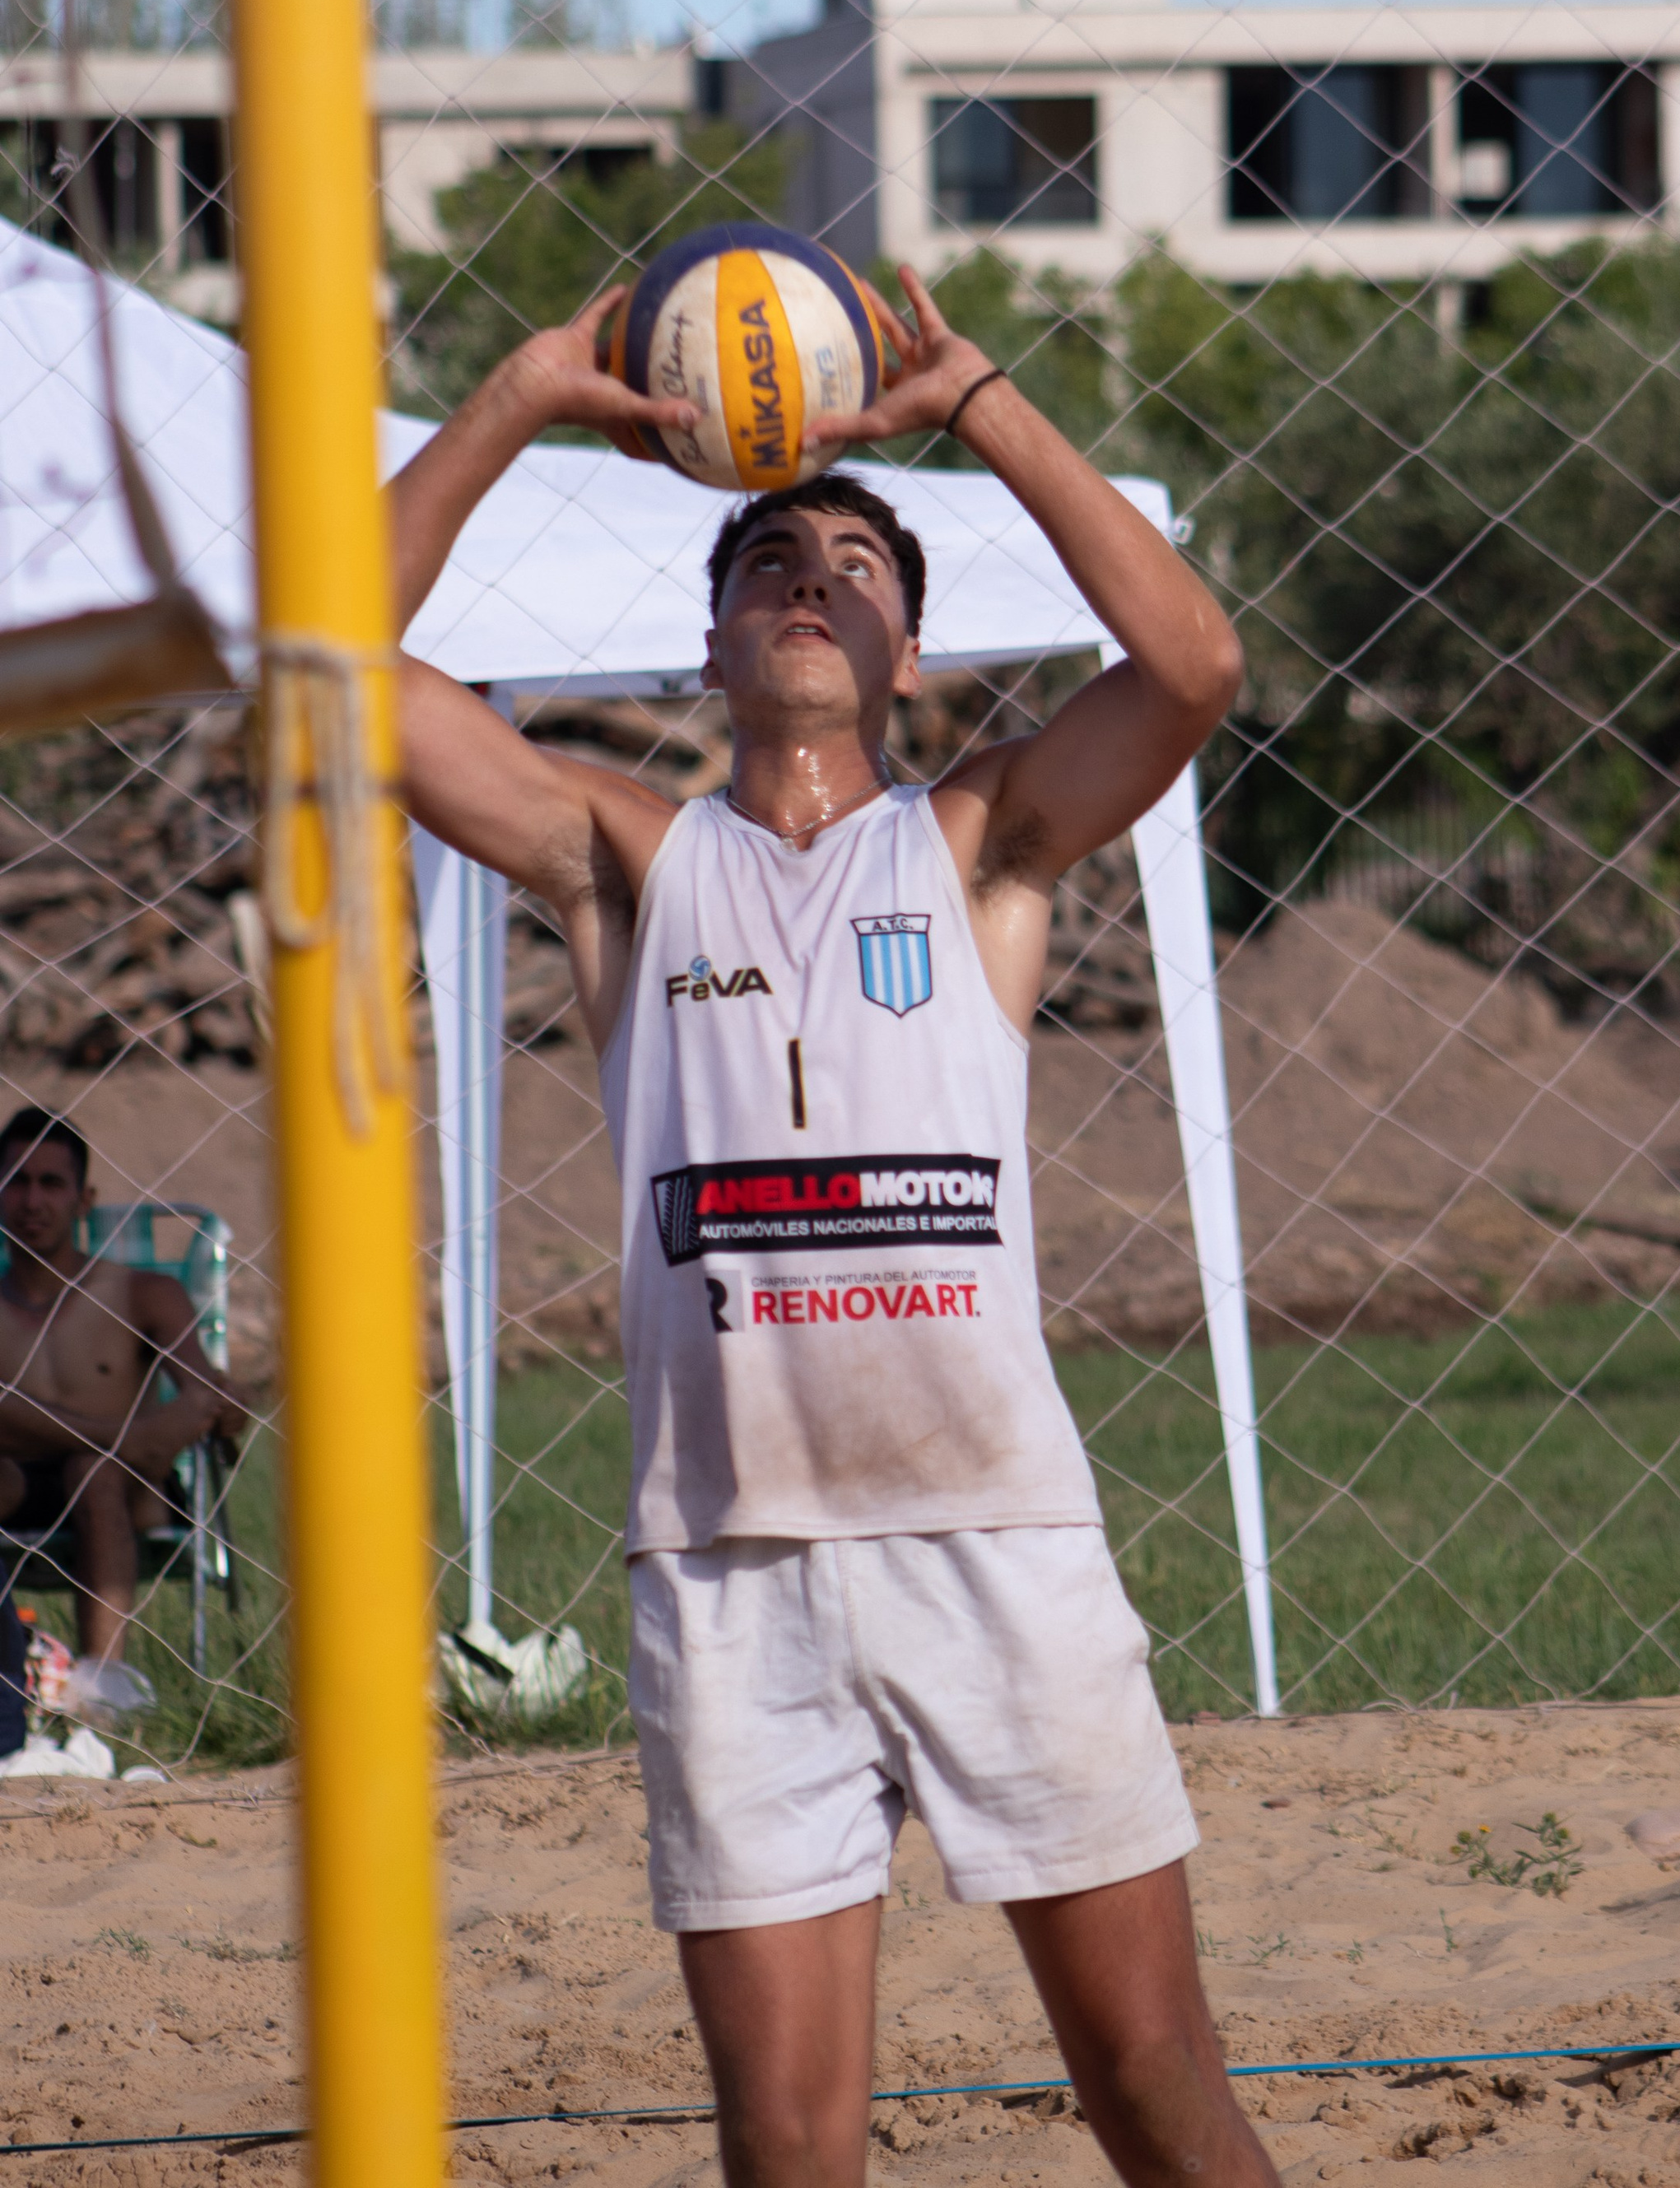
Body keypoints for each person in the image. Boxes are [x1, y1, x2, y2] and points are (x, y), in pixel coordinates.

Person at [391, 263, 1275, 2188]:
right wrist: (535, 379)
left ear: (912, 649)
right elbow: (323, 671)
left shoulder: (978, 842)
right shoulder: (623, 856)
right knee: (788, 2142)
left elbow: (1194, 668)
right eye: (767, 555)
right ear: (707, 640)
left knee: (1147, 2079)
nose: (810, 574)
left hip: (990, 1536)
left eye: (855, 559)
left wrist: (972, 401)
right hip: (732, 1567)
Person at [0, 1106, 245, 1685]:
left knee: (94, 1472)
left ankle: (103, 1691)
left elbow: (206, 1397)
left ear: (84, 1200)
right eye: (17, 1182)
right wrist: (131, 1436)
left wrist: (229, 1401)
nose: (33, 1201)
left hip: (121, 1488)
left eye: (51, 1183)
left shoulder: (144, 1294)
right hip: (20, 1478)